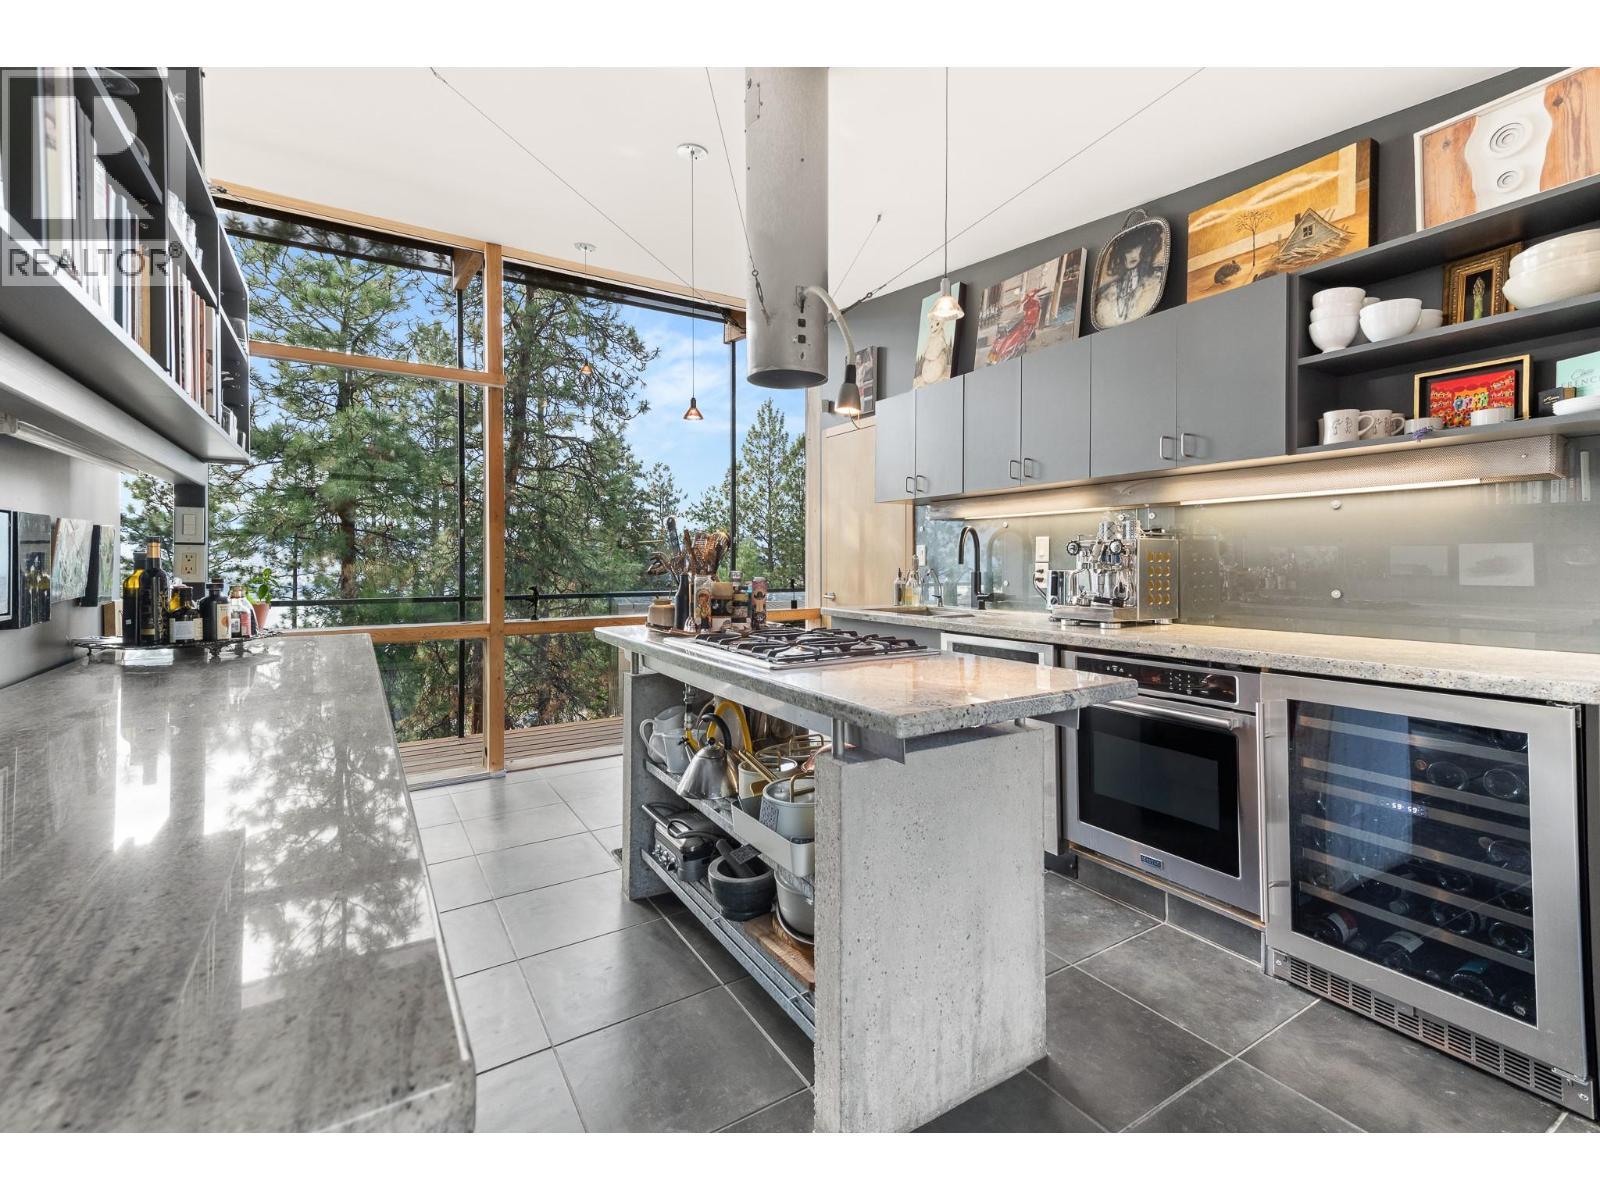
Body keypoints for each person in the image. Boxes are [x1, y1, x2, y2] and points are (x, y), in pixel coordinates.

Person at [1094, 222, 1167, 327]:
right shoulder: (1108, 292)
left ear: (1145, 249)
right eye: (1128, 250)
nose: (1133, 255)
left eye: (1138, 248)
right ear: (1120, 253)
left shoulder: (1155, 279)